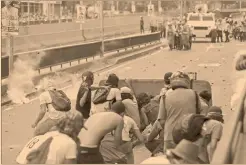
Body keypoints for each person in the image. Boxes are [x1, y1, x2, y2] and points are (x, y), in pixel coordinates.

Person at [156, 71, 202, 153]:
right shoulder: (194, 94)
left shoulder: (165, 96)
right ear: (187, 81)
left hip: (170, 137)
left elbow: (161, 120)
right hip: (189, 136)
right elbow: (199, 114)